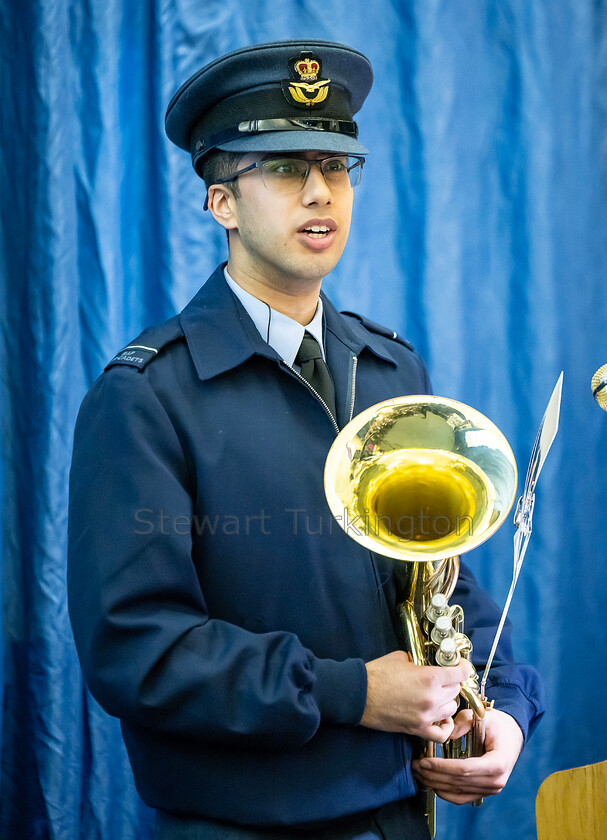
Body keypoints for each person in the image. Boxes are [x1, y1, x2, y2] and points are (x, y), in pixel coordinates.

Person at [67, 40, 544, 840]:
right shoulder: (146, 395)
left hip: (401, 816)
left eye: (336, 165)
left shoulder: (393, 369)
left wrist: (503, 709)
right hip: (238, 826)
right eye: (285, 168)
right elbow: (135, 650)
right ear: (221, 203)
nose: (319, 191)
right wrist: (350, 693)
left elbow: (443, 584)